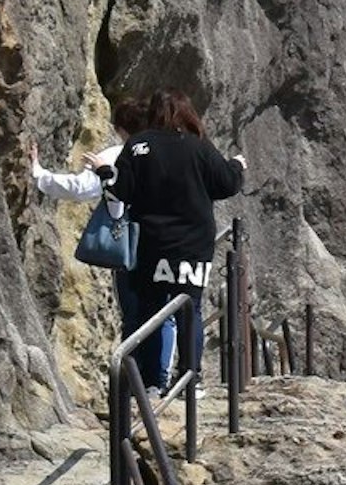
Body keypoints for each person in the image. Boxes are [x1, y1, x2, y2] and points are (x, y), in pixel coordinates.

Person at [35, 92, 245, 389]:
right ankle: (190, 379)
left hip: (153, 242)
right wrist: (237, 166)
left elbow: (121, 191)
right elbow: (226, 184)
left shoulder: (139, 145)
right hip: (193, 245)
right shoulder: (199, 148)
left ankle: (148, 382)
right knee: (190, 308)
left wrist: (105, 172)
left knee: (151, 309)